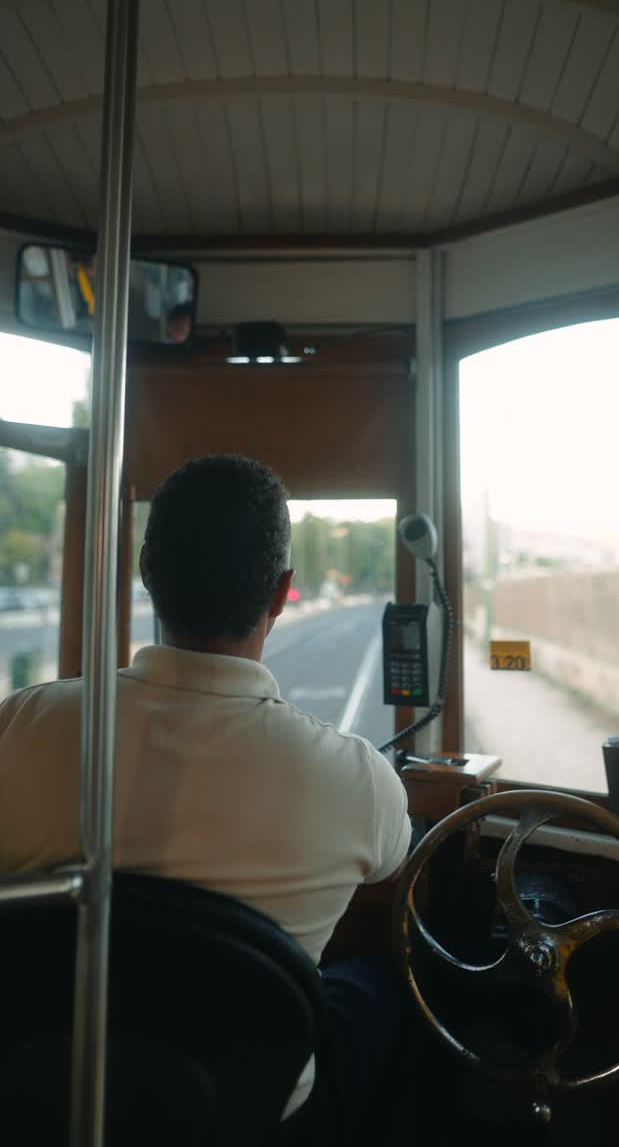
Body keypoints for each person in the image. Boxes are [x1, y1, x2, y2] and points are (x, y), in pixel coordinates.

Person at [0, 455, 412, 1143]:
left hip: (46, 1098)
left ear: (147, 573)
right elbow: (394, 866)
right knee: (376, 981)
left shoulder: (21, 726)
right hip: (256, 1117)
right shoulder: (357, 779)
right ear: (282, 593)